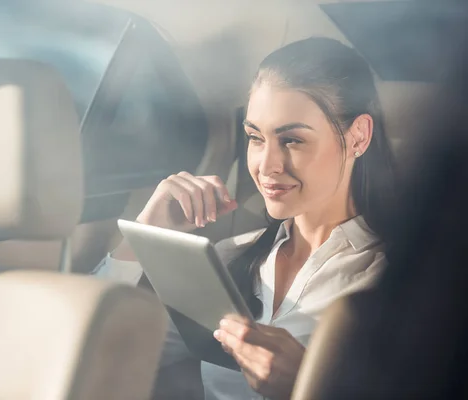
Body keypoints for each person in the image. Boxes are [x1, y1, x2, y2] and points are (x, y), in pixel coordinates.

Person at [93, 37, 396, 400]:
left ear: (358, 136)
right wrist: (143, 235)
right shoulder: (228, 259)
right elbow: (102, 355)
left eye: (293, 141)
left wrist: (311, 386)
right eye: (255, 137)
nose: (267, 166)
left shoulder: (395, 280)